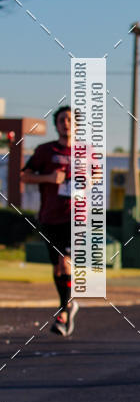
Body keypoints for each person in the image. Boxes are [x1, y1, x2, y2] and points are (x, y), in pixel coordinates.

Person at [21, 106, 79, 335]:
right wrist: (50, 178)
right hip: (49, 217)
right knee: (57, 268)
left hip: (75, 217)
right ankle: (68, 305)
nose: (66, 123)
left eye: (70, 120)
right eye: (62, 119)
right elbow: (24, 175)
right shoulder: (45, 151)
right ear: (56, 124)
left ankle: (64, 313)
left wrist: (88, 181)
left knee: (65, 262)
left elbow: (96, 176)